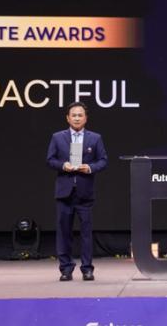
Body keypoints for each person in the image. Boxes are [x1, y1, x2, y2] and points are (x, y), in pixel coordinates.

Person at [46, 101, 107, 281]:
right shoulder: (57, 137)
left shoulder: (95, 138)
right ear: (68, 118)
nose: (77, 118)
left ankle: (87, 269)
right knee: (64, 233)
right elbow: (50, 160)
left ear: (86, 118)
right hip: (64, 193)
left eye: (80, 115)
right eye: (74, 115)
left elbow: (103, 160)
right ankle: (66, 269)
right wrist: (62, 165)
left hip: (85, 193)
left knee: (86, 233)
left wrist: (89, 168)